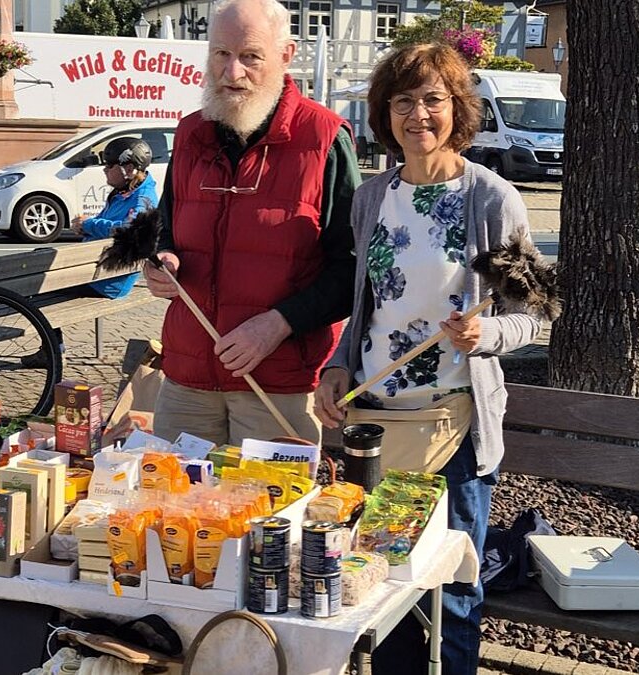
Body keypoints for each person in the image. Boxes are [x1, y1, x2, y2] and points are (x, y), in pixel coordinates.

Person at [313, 43, 541, 674]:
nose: (419, 114)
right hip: (377, 425)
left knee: (454, 591)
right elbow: (367, 308)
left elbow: (537, 314)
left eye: (434, 99)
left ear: (458, 109)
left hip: (454, 433)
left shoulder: (491, 200)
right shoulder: (372, 198)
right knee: (380, 581)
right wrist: (337, 365)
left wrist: (484, 337)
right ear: (385, 113)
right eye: (403, 101)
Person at [142, 0, 360, 446]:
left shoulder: (324, 137)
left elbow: (353, 267)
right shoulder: (189, 135)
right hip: (188, 379)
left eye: (250, 56)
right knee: (173, 507)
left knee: (271, 513)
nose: (232, 72)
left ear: (286, 55)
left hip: (278, 383)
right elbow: (167, 230)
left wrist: (278, 323)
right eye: (221, 54)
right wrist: (162, 261)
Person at [74, 137, 158, 299]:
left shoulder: (143, 197)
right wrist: (83, 226)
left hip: (107, 282)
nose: (105, 169)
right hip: (96, 272)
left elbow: (131, 230)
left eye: (110, 165)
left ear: (129, 168)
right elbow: (106, 226)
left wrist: (89, 225)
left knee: (36, 292)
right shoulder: (123, 192)